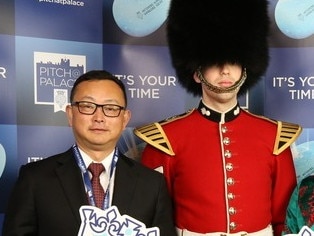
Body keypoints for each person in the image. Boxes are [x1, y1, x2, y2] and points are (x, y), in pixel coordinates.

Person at [134, 1, 302, 236]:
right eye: (214, 62)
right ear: (195, 72)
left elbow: (284, 220)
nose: (225, 70)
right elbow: (153, 219)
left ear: (246, 67)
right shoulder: (165, 139)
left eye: (234, 61)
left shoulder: (274, 137)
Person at [2, 70, 177, 236]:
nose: (99, 117)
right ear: (70, 114)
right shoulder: (35, 178)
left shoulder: (152, 184)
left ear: (125, 119)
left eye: (111, 108)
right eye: (87, 106)